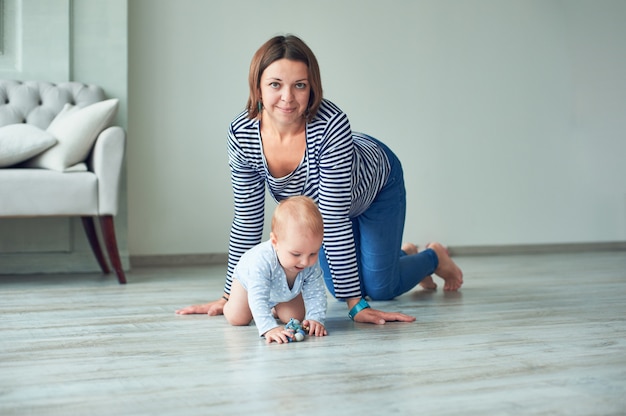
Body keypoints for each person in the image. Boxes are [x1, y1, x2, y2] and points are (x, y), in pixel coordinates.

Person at [176, 34, 463, 324]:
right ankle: (401, 255)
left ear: (311, 87)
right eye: (275, 84)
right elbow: (247, 218)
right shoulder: (242, 133)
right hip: (324, 209)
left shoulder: (332, 124)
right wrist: (228, 296)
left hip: (375, 186)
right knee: (338, 289)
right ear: (258, 87)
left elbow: (334, 217)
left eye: (299, 85)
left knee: (378, 288)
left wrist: (356, 306)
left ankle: (434, 257)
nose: (287, 97)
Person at [223, 195, 327, 344]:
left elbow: (316, 293)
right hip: (248, 284)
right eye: (296, 254)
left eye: (313, 253)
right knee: (238, 318)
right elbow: (258, 296)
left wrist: (316, 319)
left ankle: (274, 307)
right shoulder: (262, 261)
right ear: (275, 242)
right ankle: (229, 305)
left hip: (282, 291)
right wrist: (269, 328)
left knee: (296, 316)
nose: (305, 262)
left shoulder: (308, 260)